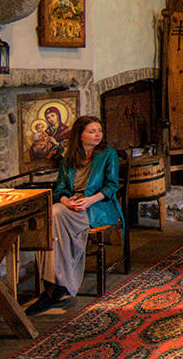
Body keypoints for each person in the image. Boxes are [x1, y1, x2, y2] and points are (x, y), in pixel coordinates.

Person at [27, 116, 123, 313]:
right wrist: (65, 200)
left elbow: (112, 186)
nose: (97, 135)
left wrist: (88, 200)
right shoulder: (69, 156)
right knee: (53, 215)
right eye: (92, 131)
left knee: (56, 218)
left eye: (99, 130)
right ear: (80, 135)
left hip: (97, 205)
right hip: (72, 204)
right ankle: (57, 284)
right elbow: (60, 187)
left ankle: (53, 288)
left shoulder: (108, 154)